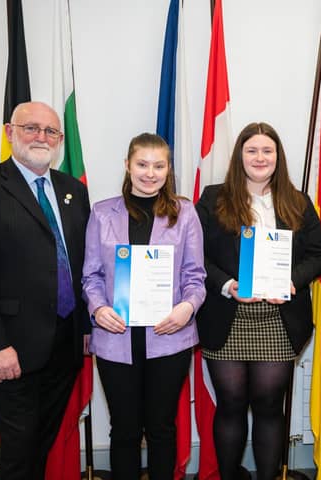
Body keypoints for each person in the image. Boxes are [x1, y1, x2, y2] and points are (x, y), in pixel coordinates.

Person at [0, 101, 91, 479]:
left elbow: (81, 265)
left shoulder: (72, 191)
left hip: (65, 343)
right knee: (18, 452)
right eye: (31, 128)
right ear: (10, 132)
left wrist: (87, 328)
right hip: (12, 347)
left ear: (60, 140)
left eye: (50, 131)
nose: (41, 137)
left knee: (41, 445)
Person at [196, 122, 321, 480]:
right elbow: (194, 256)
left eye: (267, 151)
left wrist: (291, 281)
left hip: (279, 319)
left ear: (277, 157)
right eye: (252, 150)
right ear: (240, 155)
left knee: (270, 407)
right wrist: (227, 284)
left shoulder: (297, 201)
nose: (259, 157)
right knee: (231, 405)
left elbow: (319, 255)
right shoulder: (213, 198)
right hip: (228, 316)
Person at [81, 133, 205, 479]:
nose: (150, 173)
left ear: (168, 169)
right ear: (127, 165)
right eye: (142, 164)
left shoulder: (185, 213)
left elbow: (196, 276)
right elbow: (90, 276)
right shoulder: (102, 213)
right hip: (115, 340)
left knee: (162, 428)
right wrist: (98, 308)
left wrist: (187, 308)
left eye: (158, 165)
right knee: (124, 430)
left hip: (169, 338)